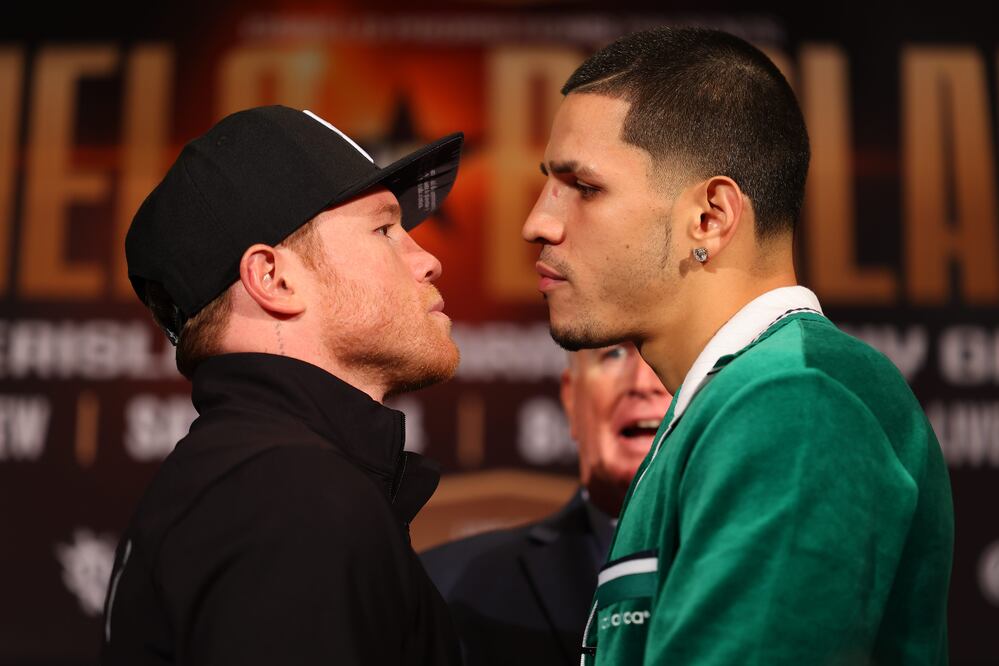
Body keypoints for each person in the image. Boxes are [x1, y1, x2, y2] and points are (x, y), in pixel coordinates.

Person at [521, 28, 953, 666]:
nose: (537, 222)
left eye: (583, 187)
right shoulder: (731, 401)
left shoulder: (796, 403)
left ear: (710, 217)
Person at [101, 105, 464, 665]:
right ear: (273, 278)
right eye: (385, 230)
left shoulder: (248, 481)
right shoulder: (291, 497)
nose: (429, 261)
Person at [421, 343, 671, 666]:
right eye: (614, 354)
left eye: (661, 353)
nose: (642, 383)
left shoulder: (739, 574)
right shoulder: (440, 587)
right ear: (571, 398)